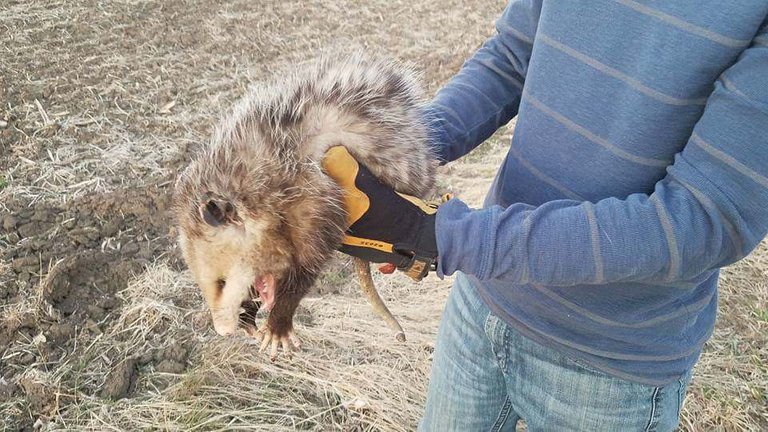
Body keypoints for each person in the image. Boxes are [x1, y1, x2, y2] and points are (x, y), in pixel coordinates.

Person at [325, 1, 768, 430]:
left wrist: (432, 236)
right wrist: (395, 155)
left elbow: (704, 217)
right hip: (483, 303)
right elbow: (511, 59)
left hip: (609, 367)